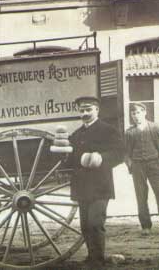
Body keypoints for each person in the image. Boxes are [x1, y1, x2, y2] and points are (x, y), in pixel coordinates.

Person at [66, 96, 124, 267]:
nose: (84, 113)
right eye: (82, 110)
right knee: (85, 225)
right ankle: (92, 256)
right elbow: (70, 160)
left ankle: (97, 261)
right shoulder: (76, 135)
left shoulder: (108, 130)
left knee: (96, 222)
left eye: (88, 109)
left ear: (97, 110)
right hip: (81, 186)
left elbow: (120, 153)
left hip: (100, 185)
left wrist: (102, 158)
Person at [125, 102, 159, 236]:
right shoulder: (130, 132)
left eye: (138, 112)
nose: (136, 115)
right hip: (138, 165)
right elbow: (127, 152)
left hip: (154, 164)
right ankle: (146, 226)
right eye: (133, 113)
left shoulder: (154, 127)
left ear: (144, 112)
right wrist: (130, 165)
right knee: (141, 195)